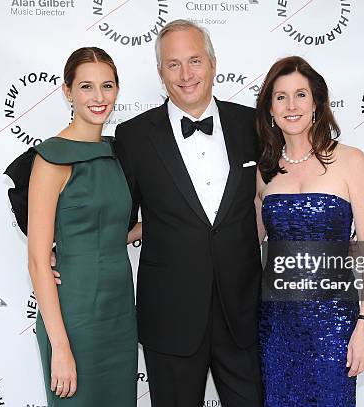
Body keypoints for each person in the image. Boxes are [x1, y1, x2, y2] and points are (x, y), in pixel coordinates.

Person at [114, 20, 264, 406]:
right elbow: (120, 218)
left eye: (194, 60)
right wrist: (62, 244)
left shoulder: (254, 124)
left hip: (243, 313)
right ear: (160, 72)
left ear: (213, 63)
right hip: (170, 316)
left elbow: (280, 195)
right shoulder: (132, 136)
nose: (186, 74)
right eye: (173, 64)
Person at [4, 47, 138, 406]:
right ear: (68, 91)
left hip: (120, 312)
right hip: (74, 315)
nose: (98, 98)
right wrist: (60, 348)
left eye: (107, 86)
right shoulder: (51, 159)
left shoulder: (117, 154)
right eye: (86, 87)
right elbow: (36, 260)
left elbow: (110, 233)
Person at [254, 56, 364, 406]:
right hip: (276, 326)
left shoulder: (351, 160)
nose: (291, 106)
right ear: (270, 109)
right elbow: (247, 246)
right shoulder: (264, 171)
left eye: (300, 95)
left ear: (316, 103)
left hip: (334, 324)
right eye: (280, 97)